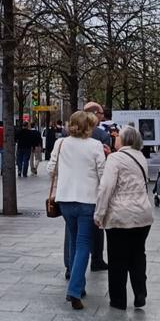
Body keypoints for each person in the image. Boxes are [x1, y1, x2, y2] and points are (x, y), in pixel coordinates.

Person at [48, 110, 106, 310]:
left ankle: (78, 286)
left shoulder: (61, 143)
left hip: (65, 200)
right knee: (83, 245)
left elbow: (51, 170)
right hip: (87, 200)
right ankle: (74, 290)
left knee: (74, 241)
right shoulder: (95, 145)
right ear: (87, 126)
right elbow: (102, 172)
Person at [95, 125, 154, 310]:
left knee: (117, 259)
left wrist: (99, 213)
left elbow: (106, 187)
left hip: (120, 215)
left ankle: (119, 300)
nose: (115, 137)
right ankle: (140, 292)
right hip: (143, 214)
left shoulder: (115, 158)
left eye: (118, 136)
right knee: (138, 254)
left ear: (125, 139)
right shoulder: (141, 156)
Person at [82, 102, 112, 271]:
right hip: (94, 188)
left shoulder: (68, 134)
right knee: (97, 225)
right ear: (94, 114)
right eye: (101, 113)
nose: (103, 116)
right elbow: (105, 164)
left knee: (73, 232)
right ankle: (97, 259)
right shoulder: (101, 135)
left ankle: (70, 266)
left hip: (73, 191)